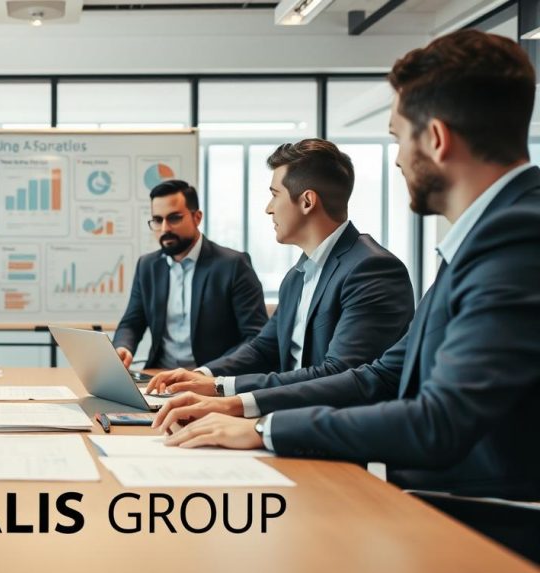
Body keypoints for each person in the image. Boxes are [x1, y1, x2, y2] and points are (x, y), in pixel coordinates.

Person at [153, 30, 540, 528]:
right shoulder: (487, 234)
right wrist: (236, 404)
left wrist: (266, 428)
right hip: (433, 495)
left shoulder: (516, 237)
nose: (398, 158)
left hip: (487, 519)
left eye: (399, 137)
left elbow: (439, 420)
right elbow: (381, 374)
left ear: (438, 139)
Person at [145, 139, 414, 414]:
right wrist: (204, 376)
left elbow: (339, 375)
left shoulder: (372, 270)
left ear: (307, 201)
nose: (268, 208)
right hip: (289, 418)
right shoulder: (297, 276)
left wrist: (228, 397)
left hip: (330, 434)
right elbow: (264, 348)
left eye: (275, 194)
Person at [112, 180, 267, 370]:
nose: (165, 229)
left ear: (197, 217)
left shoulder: (233, 265)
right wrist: (123, 347)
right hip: (159, 377)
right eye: (158, 220)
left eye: (174, 218)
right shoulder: (148, 266)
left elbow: (255, 336)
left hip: (212, 378)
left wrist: (207, 373)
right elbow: (131, 323)